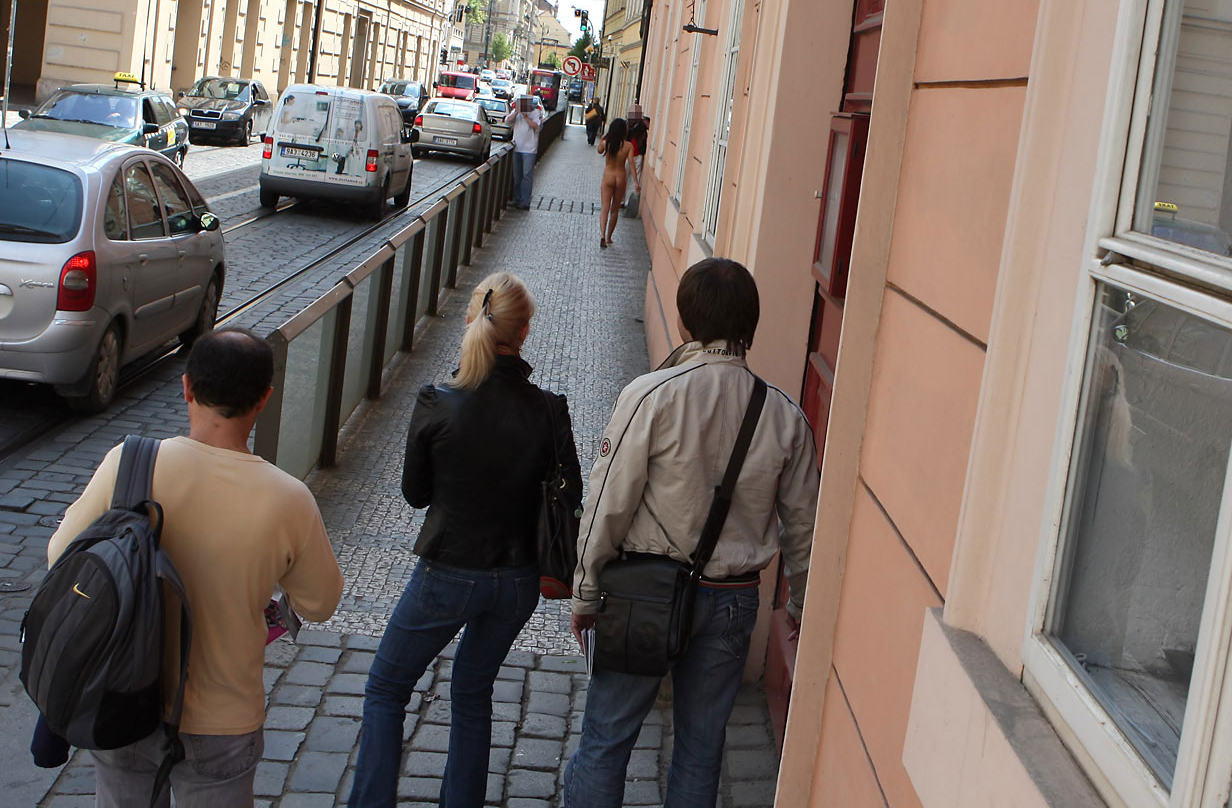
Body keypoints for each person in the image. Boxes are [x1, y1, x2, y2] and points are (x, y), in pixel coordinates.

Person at [45, 329, 344, 806]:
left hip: (123, 696)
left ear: (186, 387)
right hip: (223, 718)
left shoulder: (129, 464)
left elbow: (61, 556)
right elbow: (321, 603)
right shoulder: (289, 499)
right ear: (264, 399)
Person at [564, 259, 820, 808]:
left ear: (684, 320)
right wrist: (800, 604)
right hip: (733, 599)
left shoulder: (652, 395)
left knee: (607, 741)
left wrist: (585, 590)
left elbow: (608, 504)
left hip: (645, 595)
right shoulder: (787, 417)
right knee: (701, 751)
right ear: (750, 324)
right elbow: (804, 528)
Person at [348, 273, 580, 808]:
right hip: (518, 581)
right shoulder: (550, 409)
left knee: (386, 688)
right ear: (524, 333)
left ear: (471, 320)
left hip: (447, 574)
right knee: (472, 695)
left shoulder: (439, 400)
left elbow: (414, 495)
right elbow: (570, 493)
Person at [596, 118, 636, 249]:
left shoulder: (606, 143)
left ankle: (602, 234)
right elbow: (631, 163)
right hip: (620, 177)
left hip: (608, 176)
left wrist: (604, 137)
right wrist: (636, 182)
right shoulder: (628, 146)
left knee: (605, 207)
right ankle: (609, 237)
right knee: (615, 210)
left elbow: (599, 150)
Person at [504, 94, 545, 210]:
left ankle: (525, 201)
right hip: (517, 147)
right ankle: (517, 199)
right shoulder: (516, 112)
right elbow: (507, 121)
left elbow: (537, 127)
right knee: (517, 175)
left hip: (529, 149)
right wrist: (516, 112)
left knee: (527, 175)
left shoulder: (536, 113)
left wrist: (526, 117)